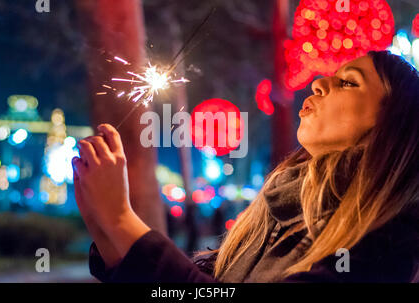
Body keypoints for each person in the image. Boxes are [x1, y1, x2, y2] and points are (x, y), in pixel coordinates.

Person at [72, 51, 419, 283]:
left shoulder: (382, 243)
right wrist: (105, 229)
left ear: (393, 126)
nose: (319, 83)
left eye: (348, 82)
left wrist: (121, 220)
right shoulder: (276, 212)